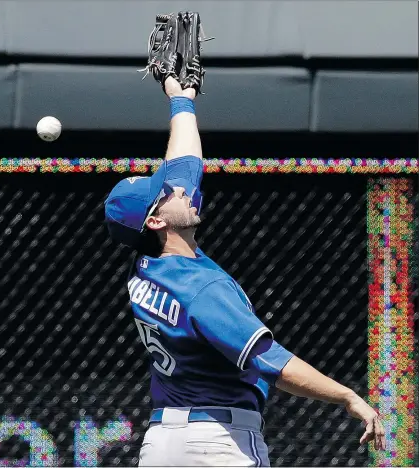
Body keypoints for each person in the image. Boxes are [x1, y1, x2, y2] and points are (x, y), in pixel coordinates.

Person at [104, 75, 385, 466]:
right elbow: (272, 363)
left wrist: (181, 101)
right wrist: (347, 396)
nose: (180, 189)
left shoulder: (147, 268)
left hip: (163, 445)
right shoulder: (201, 288)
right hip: (217, 443)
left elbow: (185, 165)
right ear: (155, 221)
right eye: (166, 192)